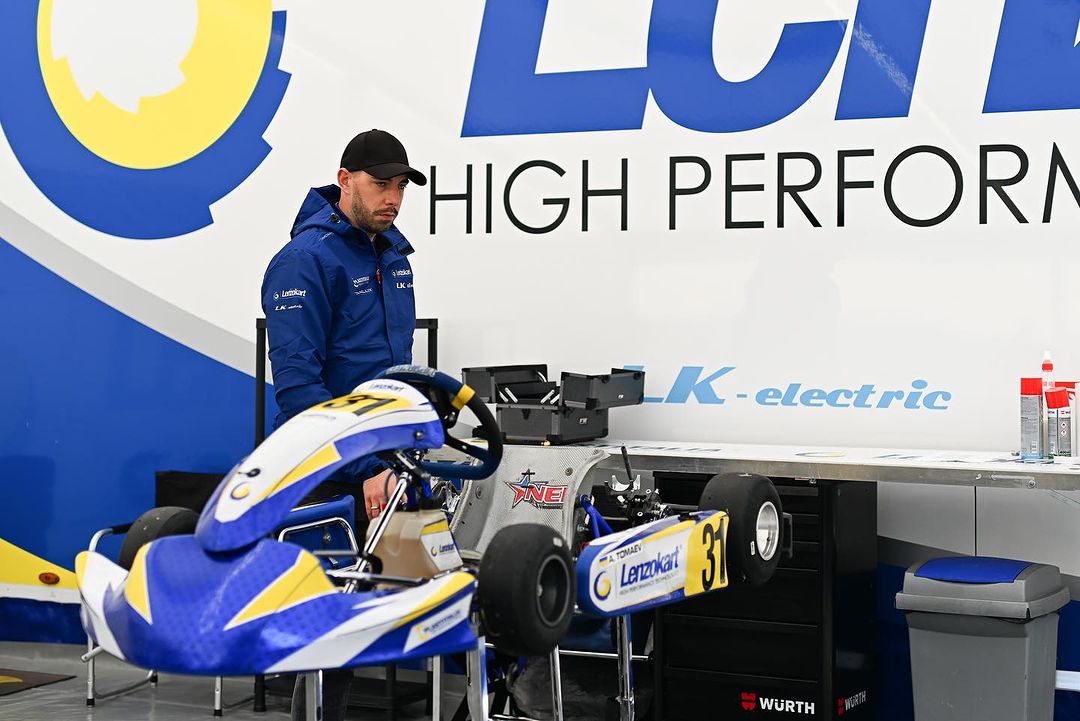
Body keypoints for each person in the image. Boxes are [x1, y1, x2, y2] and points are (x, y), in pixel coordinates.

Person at [260, 129, 426, 721]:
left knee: (428, 609)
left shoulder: (394, 257)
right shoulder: (304, 261)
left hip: (391, 470)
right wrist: (365, 469)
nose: (393, 197)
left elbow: (397, 371)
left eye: (401, 186)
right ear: (345, 180)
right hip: (329, 475)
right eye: (381, 184)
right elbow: (300, 392)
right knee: (330, 639)